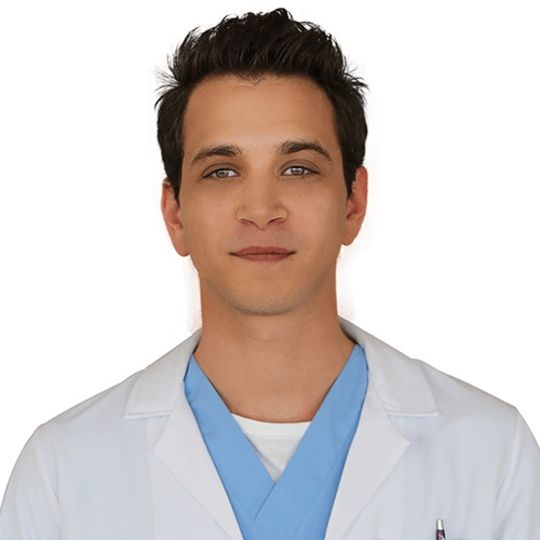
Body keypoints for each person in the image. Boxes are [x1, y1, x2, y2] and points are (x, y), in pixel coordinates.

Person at [1, 7, 539, 540]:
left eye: (298, 168)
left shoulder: (493, 453)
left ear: (353, 203)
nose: (261, 210)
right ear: (176, 215)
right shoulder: (62, 474)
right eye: (222, 171)